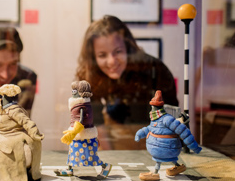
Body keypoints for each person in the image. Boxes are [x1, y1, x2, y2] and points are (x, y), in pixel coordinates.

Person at [75, 15, 178, 150]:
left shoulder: (154, 70)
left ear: (128, 48)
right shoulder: (89, 75)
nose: (112, 61)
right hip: (115, 148)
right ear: (93, 57)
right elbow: (93, 126)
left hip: (158, 147)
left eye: (118, 52)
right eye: (102, 55)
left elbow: (171, 122)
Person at [135, 91, 201, 181]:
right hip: (163, 147)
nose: (151, 110)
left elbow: (183, 131)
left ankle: (155, 173)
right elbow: (150, 128)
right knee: (169, 158)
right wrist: (140, 133)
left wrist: (194, 147)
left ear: (155, 108)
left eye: (152, 107)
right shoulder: (155, 119)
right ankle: (177, 166)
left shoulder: (167, 119)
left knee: (158, 160)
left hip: (165, 147)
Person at [0, 84, 44, 181]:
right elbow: (0, 124)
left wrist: (34, 132)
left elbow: (26, 121)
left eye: (3, 96)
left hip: (15, 138)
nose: (1, 99)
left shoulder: (14, 111)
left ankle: (20, 174)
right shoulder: (3, 110)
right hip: (1, 137)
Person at [54, 81, 112, 179]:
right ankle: (69, 169)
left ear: (81, 92)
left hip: (84, 136)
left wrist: (75, 130)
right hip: (78, 135)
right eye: (72, 90)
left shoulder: (83, 106)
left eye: (75, 90)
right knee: (72, 152)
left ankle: (105, 166)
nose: (73, 92)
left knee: (92, 156)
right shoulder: (79, 104)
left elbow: (82, 119)